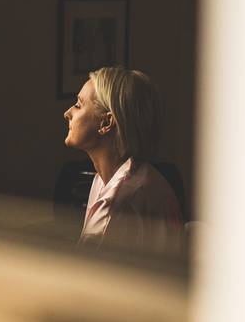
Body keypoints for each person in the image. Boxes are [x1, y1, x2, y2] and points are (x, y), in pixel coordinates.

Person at [63, 67, 182, 253]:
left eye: (78, 105)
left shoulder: (120, 199)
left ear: (105, 123)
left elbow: (85, 274)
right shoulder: (105, 180)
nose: (67, 113)